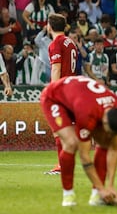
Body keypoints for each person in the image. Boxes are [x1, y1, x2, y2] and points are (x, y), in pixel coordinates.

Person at [40, 75, 117, 206]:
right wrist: (102, 188)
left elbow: (114, 147)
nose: (108, 134)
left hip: (78, 97)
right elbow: (85, 157)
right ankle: (68, 195)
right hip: (54, 98)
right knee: (71, 143)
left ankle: (96, 197)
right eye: (107, 130)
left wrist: (110, 186)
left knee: (105, 142)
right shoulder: (87, 113)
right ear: (103, 120)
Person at [45, 13, 78, 175]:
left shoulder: (55, 44)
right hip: (72, 88)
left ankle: (63, 165)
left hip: (62, 90)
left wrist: (53, 90)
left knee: (57, 128)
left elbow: (56, 68)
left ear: (49, 26)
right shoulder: (70, 42)